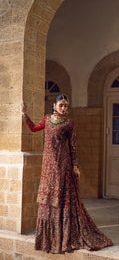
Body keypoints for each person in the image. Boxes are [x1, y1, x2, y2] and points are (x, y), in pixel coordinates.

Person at [22, 94, 113, 254]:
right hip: (48, 165)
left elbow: (73, 146)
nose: (64, 108)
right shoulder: (47, 119)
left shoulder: (69, 123)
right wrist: (25, 115)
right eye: (61, 105)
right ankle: (47, 238)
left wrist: (75, 166)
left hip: (62, 164)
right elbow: (34, 128)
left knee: (61, 197)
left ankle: (63, 237)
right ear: (54, 105)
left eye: (66, 105)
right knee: (47, 197)